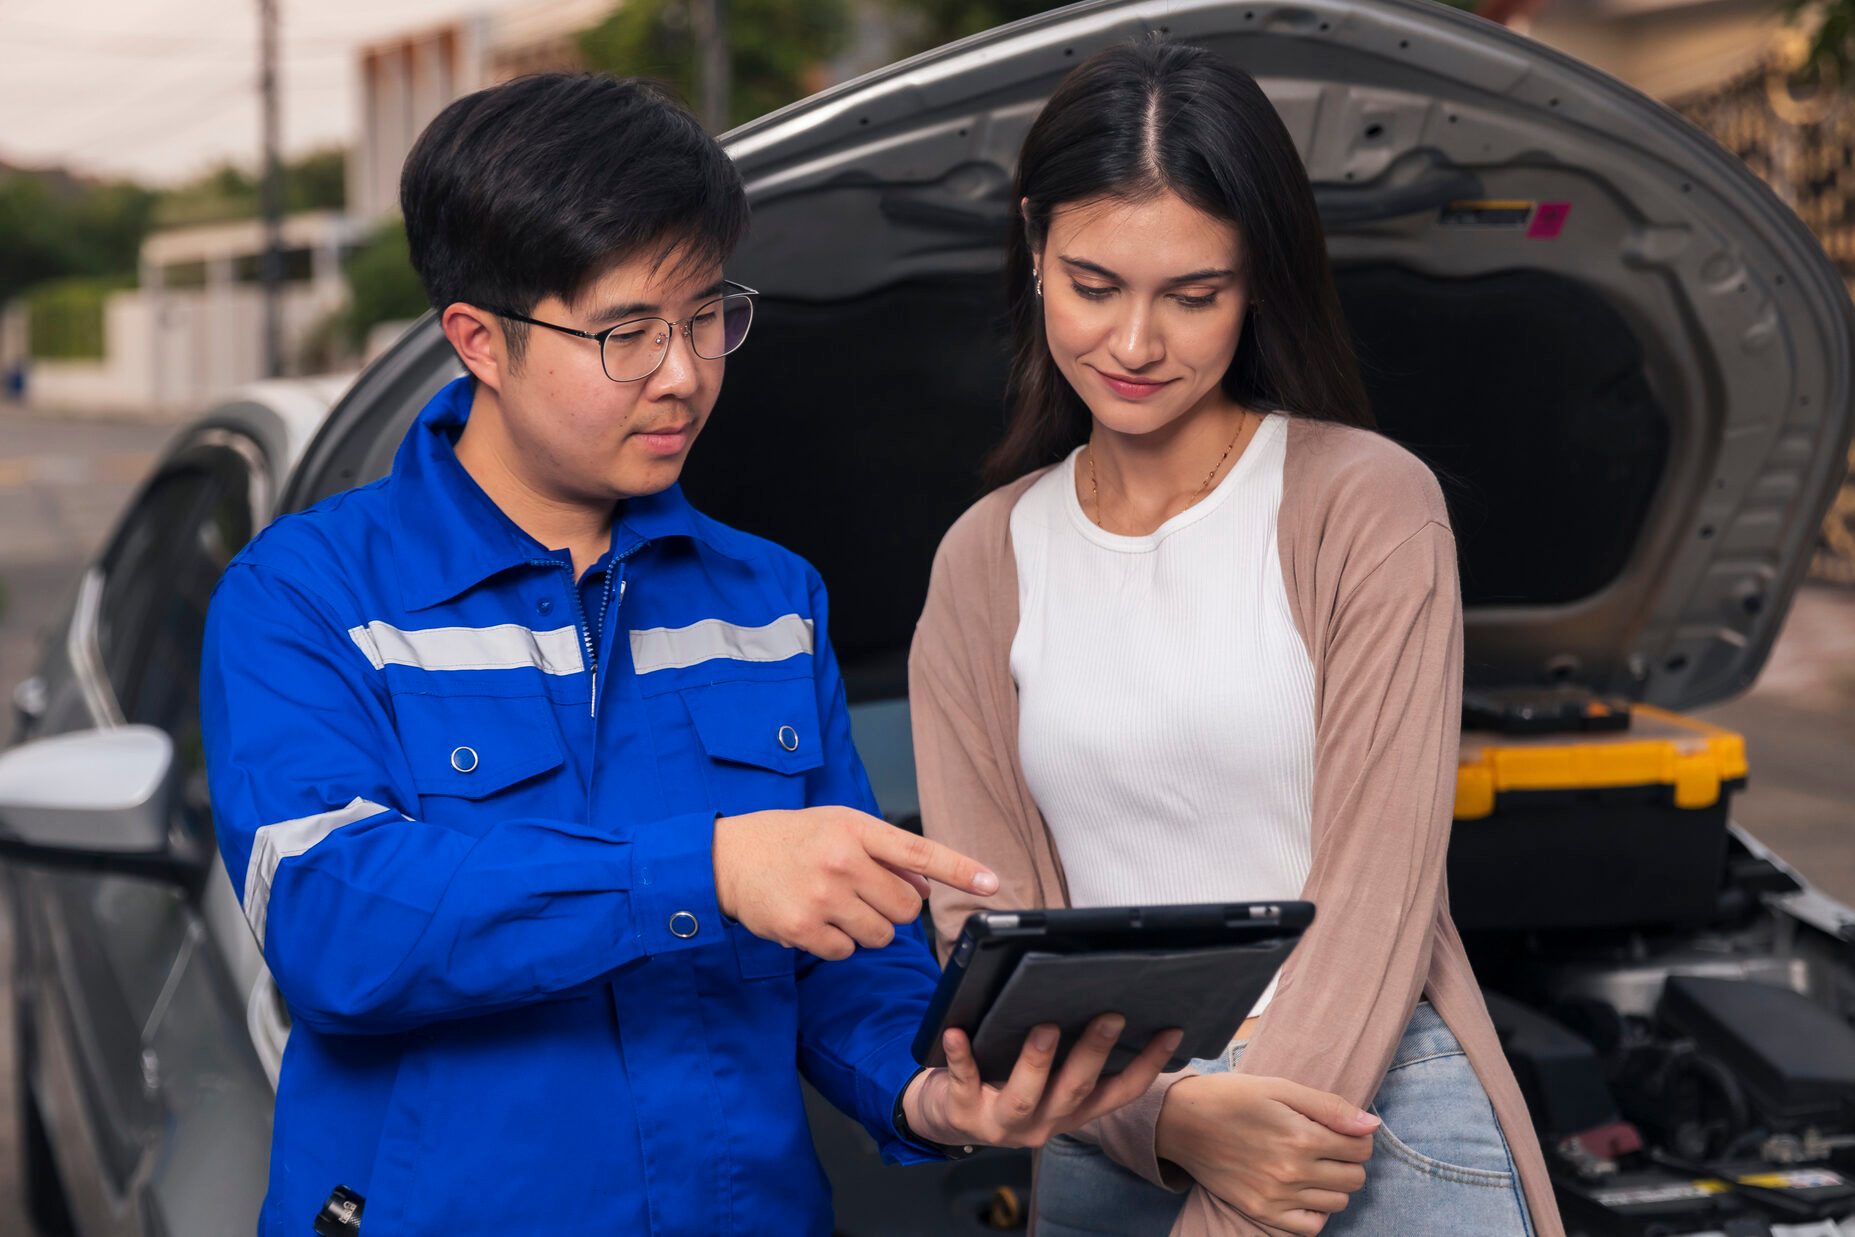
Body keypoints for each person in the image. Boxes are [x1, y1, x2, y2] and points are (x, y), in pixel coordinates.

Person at [199, 72, 1177, 1235]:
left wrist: (930, 1093)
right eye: (626, 332)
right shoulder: (308, 596)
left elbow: (846, 954)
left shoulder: (767, 600)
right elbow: (333, 925)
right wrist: (701, 870)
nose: (684, 372)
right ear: (480, 341)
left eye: (707, 315)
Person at [909, 40, 1564, 1237]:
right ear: (1033, 250)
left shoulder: (1365, 504)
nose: (1136, 344)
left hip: (1374, 1117)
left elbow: (1381, 892)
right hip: (1110, 1135)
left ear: (1257, 280)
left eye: (1192, 294)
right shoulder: (983, 560)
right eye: (1093, 284)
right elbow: (984, 936)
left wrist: (1234, 1198)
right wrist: (1159, 1120)